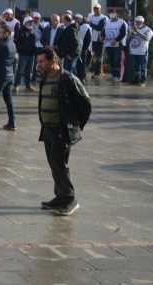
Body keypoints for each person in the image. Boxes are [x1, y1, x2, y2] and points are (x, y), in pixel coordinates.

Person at [36, 48, 91, 216]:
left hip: (61, 130)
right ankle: (60, 197)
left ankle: (69, 199)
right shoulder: (46, 77)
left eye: (42, 61)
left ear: (53, 61)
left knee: (60, 164)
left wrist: (75, 125)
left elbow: (85, 102)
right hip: (48, 129)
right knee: (53, 164)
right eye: (38, 61)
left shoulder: (67, 78)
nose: (39, 65)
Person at [126, 16, 153, 86]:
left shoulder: (148, 30)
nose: (137, 23)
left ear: (142, 22)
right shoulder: (133, 29)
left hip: (142, 51)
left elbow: (147, 38)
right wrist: (130, 34)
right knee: (135, 67)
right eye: (136, 22)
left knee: (143, 67)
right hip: (133, 51)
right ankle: (136, 80)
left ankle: (143, 81)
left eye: (138, 22)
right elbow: (128, 39)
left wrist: (137, 32)